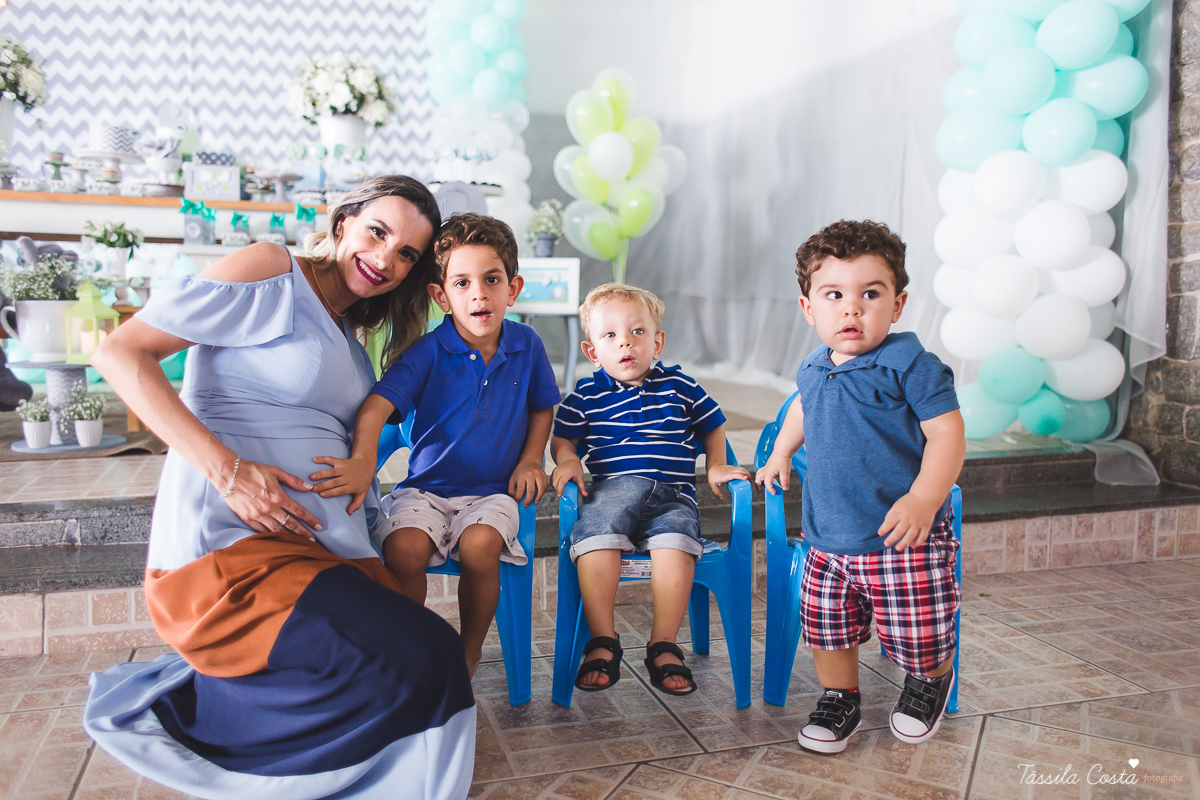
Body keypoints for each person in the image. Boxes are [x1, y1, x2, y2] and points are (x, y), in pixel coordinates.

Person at [82, 177, 477, 800]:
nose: (385, 259)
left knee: (422, 659)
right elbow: (121, 353)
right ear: (342, 221)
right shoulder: (273, 271)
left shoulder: (351, 341)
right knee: (425, 652)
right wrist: (229, 472)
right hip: (233, 552)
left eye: (406, 254)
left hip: (320, 551)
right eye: (378, 232)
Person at [313, 213, 560, 677]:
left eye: (492, 280)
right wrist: (365, 460)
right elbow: (376, 407)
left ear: (514, 288)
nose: (479, 294)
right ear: (440, 295)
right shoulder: (426, 352)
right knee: (403, 550)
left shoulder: (528, 345)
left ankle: (467, 652)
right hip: (425, 489)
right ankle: (416, 647)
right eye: (462, 283)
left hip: (493, 492)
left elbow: (542, 406)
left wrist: (531, 459)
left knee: (480, 546)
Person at [755, 219, 965, 754]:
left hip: (902, 538)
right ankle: (839, 695)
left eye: (870, 293)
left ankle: (928, 678)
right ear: (809, 308)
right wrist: (781, 450)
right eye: (834, 295)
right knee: (828, 629)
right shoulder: (812, 366)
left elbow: (947, 434)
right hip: (827, 537)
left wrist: (924, 497)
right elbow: (804, 406)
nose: (852, 308)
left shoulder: (911, 365)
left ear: (897, 305)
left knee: (919, 630)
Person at [550, 284, 750, 696]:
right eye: (610, 336)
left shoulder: (681, 386)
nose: (625, 342)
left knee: (677, 542)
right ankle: (603, 640)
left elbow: (712, 426)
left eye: (637, 332)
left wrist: (715, 464)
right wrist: (568, 459)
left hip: (674, 495)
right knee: (595, 536)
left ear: (657, 342)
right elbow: (564, 440)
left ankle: (663, 643)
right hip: (613, 493)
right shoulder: (585, 395)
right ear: (592, 352)